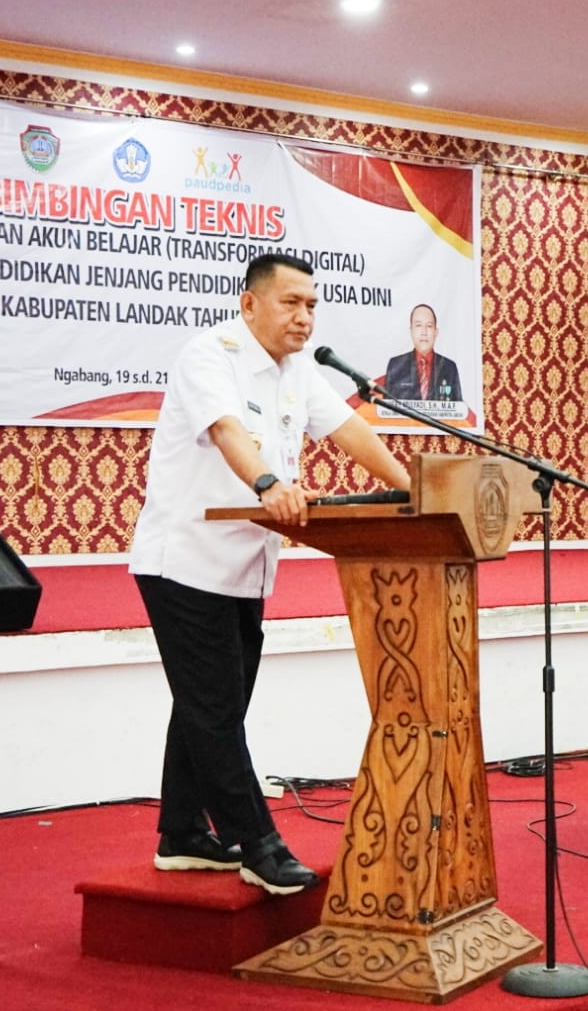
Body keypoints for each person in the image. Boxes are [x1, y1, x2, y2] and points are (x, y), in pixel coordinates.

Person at [128, 252, 410, 896]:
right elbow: (229, 431)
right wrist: (268, 483)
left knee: (212, 705)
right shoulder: (210, 355)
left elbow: (350, 431)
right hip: (185, 562)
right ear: (250, 304)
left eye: (311, 305)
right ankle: (259, 844)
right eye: (291, 303)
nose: (304, 317)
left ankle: (182, 834)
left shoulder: (299, 369)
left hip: (247, 567)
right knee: (215, 711)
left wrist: (416, 488)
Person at [382, 303, 463, 402]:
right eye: (418, 325)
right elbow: (387, 407)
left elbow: (459, 408)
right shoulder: (396, 365)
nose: (424, 332)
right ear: (411, 331)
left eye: (429, 326)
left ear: (436, 332)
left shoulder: (449, 368)